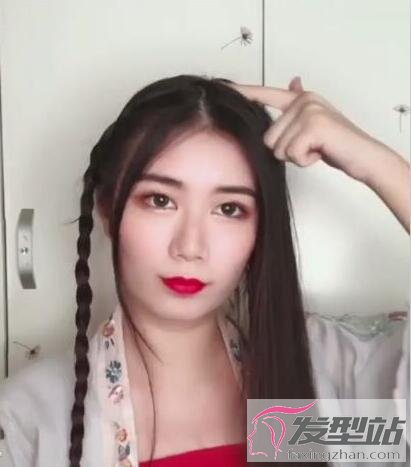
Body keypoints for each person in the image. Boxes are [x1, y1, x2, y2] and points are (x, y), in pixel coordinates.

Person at [0, 74, 408, 467]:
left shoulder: (302, 396)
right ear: (108, 210)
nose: (190, 247)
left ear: (260, 228)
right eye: (160, 200)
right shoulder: (32, 423)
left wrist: (381, 166)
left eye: (229, 209)